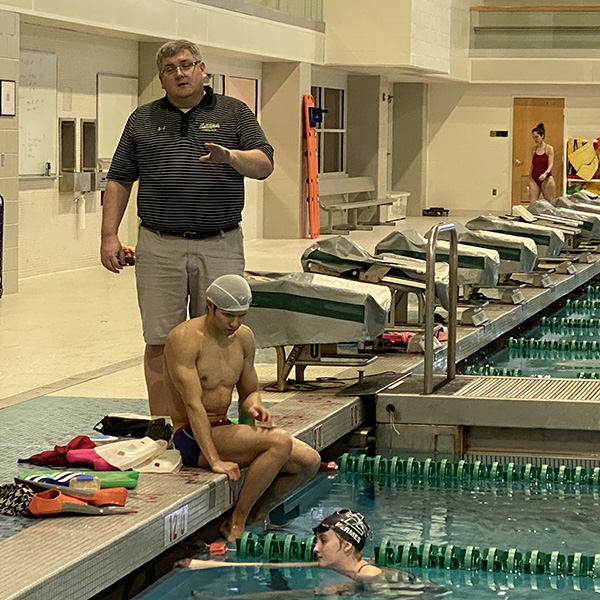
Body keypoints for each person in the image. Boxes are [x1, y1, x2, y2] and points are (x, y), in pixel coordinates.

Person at [100, 39, 274, 416]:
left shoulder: (234, 113)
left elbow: (264, 164)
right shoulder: (142, 119)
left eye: (186, 64)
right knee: (161, 340)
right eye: (169, 69)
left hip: (220, 242)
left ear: (202, 69)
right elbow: (119, 180)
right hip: (159, 245)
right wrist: (109, 235)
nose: (179, 73)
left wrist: (230, 156)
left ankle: (214, 424)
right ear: (161, 79)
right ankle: (166, 427)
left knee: (220, 336)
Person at [164, 274, 321, 542]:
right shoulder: (184, 339)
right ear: (209, 306)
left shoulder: (243, 337)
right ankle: (235, 522)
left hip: (223, 429)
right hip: (191, 436)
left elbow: (249, 391)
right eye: (228, 316)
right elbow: (193, 405)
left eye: (241, 316)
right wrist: (214, 460)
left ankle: (257, 515)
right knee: (279, 443)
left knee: (310, 462)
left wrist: (254, 406)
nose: (235, 324)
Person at [175, 509, 448, 598]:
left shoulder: (373, 579)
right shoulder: (360, 576)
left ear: (347, 546)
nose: (315, 548)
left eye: (323, 541)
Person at [529, 122, 556, 203]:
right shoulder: (534, 149)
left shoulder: (549, 148)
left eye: (537, 137)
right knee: (532, 202)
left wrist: (545, 174)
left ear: (542, 136)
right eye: (533, 137)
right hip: (534, 177)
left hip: (546, 178)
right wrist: (529, 176)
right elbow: (532, 164)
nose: (535, 139)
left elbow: (551, 164)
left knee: (549, 202)